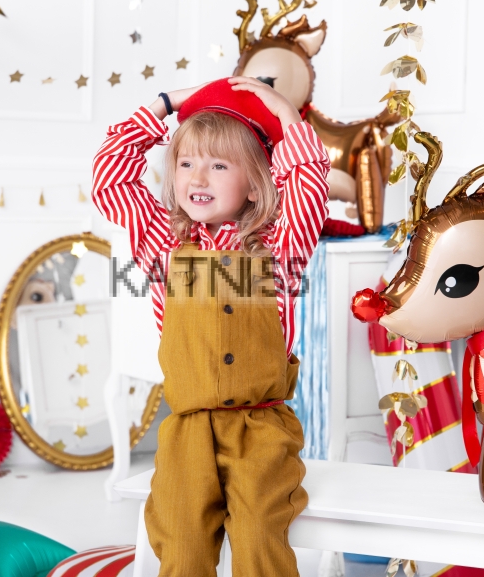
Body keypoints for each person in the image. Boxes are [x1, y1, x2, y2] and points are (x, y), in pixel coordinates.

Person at [92, 76, 330, 576]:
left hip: (260, 432)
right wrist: (164, 104)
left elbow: (308, 180)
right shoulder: (164, 244)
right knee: (180, 543)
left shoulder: (279, 246)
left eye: (219, 166)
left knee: (261, 540)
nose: (198, 178)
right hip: (188, 431)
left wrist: (285, 114)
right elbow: (110, 179)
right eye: (186, 163)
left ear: (256, 182)